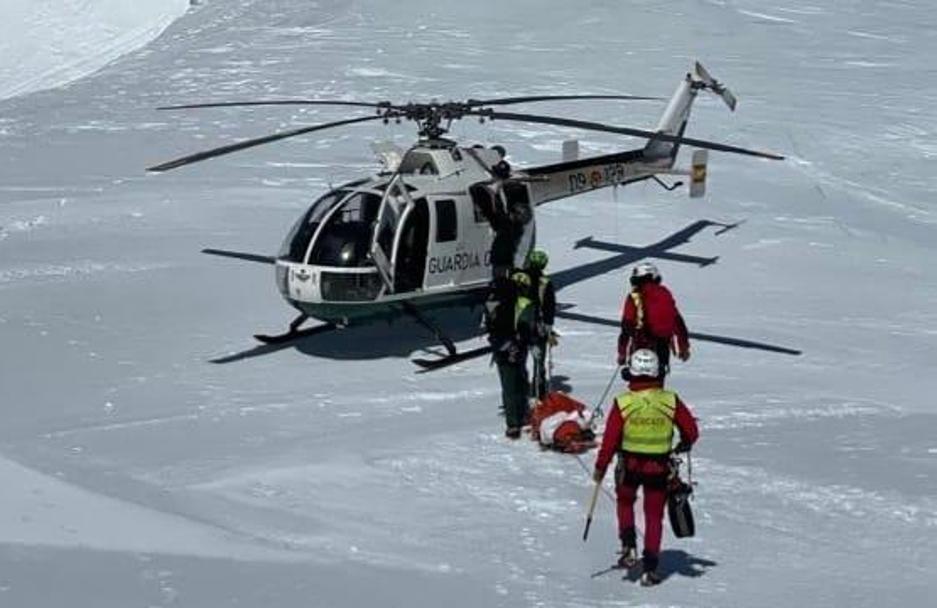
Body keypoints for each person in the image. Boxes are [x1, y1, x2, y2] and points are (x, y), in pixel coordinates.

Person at [592, 349, 699, 586]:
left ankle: (628, 546)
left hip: (629, 467)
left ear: (631, 372)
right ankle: (651, 568)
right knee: (653, 516)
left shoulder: (624, 402)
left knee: (625, 503)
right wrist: (683, 444)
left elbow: (610, 440)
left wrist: (600, 467)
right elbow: (691, 430)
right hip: (659, 469)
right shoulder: (670, 400)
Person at [484, 271, 536, 439]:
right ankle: (518, 418)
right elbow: (527, 327)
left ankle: (514, 421)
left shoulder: (492, 303)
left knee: (508, 384)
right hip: (516, 347)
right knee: (518, 379)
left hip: (499, 347)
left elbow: (491, 327)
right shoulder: (523, 303)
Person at [616, 262, 690, 379]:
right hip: (662, 348)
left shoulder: (634, 296)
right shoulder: (665, 293)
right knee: (658, 384)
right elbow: (678, 322)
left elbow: (626, 326)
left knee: (638, 384)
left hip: (640, 348)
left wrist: (622, 353)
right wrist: (683, 347)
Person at [523, 249, 557, 400]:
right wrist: (548, 326)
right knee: (539, 363)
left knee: (519, 360)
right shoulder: (545, 283)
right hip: (538, 327)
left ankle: (520, 390)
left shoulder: (518, 279)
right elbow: (549, 306)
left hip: (520, 326)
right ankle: (539, 393)